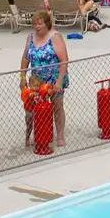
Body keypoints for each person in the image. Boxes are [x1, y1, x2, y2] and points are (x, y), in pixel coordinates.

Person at [20, 11, 69, 147]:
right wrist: (22, 76)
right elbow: (25, 57)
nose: (37, 26)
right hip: (37, 81)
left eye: (40, 23)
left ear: (47, 23)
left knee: (57, 107)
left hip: (54, 79)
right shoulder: (30, 37)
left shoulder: (55, 37)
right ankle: (39, 133)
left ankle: (60, 135)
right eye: (34, 23)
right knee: (35, 109)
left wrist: (59, 81)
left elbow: (64, 60)